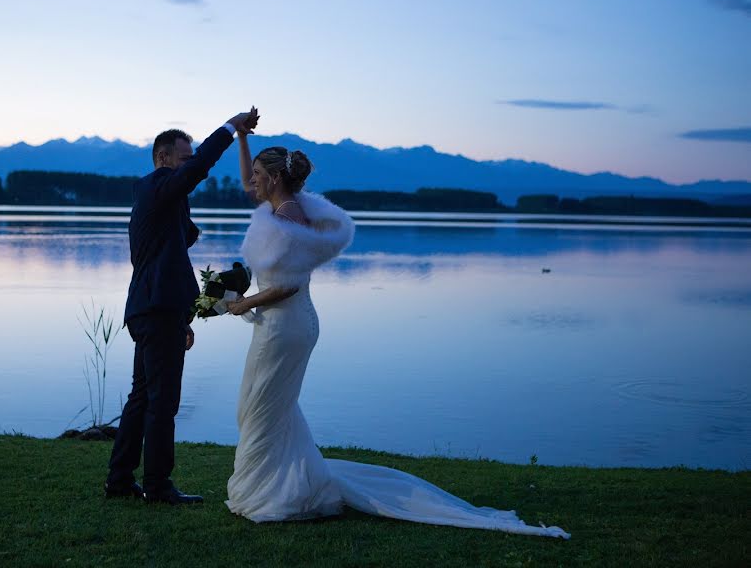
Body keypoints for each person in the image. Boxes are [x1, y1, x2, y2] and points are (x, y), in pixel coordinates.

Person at [224, 128, 570, 538]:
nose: (253, 182)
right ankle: (282, 482)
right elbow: (250, 189)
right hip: (281, 324)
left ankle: (283, 493)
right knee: (261, 404)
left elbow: (291, 283)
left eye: (260, 175)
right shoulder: (281, 209)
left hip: (286, 326)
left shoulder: (289, 217)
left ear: (276, 179)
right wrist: (241, 137)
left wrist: (242, 303)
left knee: (264, 404)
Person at [104, 109, 259, 505]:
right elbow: (199, 169)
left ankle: (120, 481)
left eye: (189, 159)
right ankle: (157, 486)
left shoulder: (157, 200)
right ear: (164, 159)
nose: (190, 165)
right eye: (184, 158)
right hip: (156, 311)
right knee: (162, 402)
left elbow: (173, 249)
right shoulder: (158, 189)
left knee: (142, 397)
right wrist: (230, 129)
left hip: (152, 309)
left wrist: (186, 313)